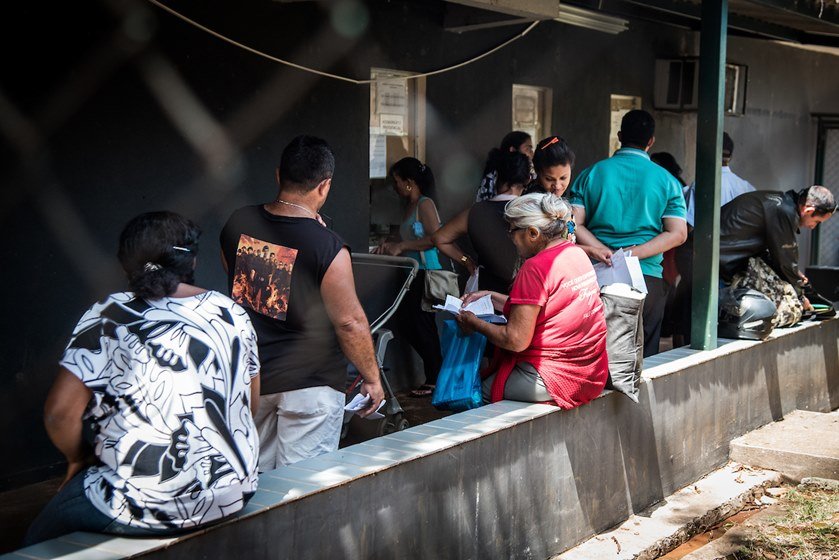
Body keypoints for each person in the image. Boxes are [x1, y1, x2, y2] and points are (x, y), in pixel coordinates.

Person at [25, 212, 260, 546]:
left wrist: (79, 458)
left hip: (143, 504)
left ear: (125, 264)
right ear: (191, 258)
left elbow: (58, 413)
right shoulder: (231, 312)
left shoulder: (110, 313)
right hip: (235, 491)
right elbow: (249, 404)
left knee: (35, 539)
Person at [220, 135, 384, 470]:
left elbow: (236, 279)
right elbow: (349, 321)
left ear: (279, 175)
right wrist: (372, 377)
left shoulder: (238, 223)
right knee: (303, 485)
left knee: (256, 479)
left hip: (253, 379)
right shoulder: (328, 246)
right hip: (312, 383)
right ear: (324, 186)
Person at [456, 194, 609, 408]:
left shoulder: (535, 268)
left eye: (512, 231)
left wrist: (474, 323)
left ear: (533, 233)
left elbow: (515, 340)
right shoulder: (575, 253)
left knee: (474, 392)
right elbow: (544, 305)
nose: (510, 237)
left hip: (554, 377)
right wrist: (490, 296)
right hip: (590, 371)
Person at [569, 109, 687, 357]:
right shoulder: (668, 182)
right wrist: (631, 254)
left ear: (619, 135)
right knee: (644, 359)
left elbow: (574, 224)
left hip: (597, 278)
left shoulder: (590, 175)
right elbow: (677, 234)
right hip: (648, 279)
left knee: (596, 355)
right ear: (651, 141)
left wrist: (603, 251)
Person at [372, 157, 444, 398]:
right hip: (410, 274)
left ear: (410, 182)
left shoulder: (425, 204)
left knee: (422, 326)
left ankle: (435, 377)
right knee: (409, 324)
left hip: (425, 273)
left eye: (397, 181)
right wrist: (391, 242)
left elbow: (436, 238)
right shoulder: (409, 206)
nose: (395, 187)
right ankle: (436, 373)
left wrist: (402, 246)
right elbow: (406, 237)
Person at [719, 185, 836, 327]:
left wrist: (797, 277)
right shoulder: (784, 211)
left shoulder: (781, 203)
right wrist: (801, 296)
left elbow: (778, 256)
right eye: (817, 221)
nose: (813, 226)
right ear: (808, 210)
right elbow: (785, 261)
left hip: (716, 258)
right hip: (710, 260)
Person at [433, 151, 532, 293]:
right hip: (522, 289)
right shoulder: (531, 213)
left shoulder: (474, 212)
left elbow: (439, 238)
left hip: (483, 292)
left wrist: (465, 260)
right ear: (527, 179)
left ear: (496, 176)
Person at [684, 132, 755, 228]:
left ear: (707, 154)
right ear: (730, 157)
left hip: (708, 242)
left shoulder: (700, 185)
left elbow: (690, 226)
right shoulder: (747, 187)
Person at [475, 131, 534, 202]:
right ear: (512, 150)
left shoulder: (530, 174)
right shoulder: (495, 175)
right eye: (528, 149)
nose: (532, 153)